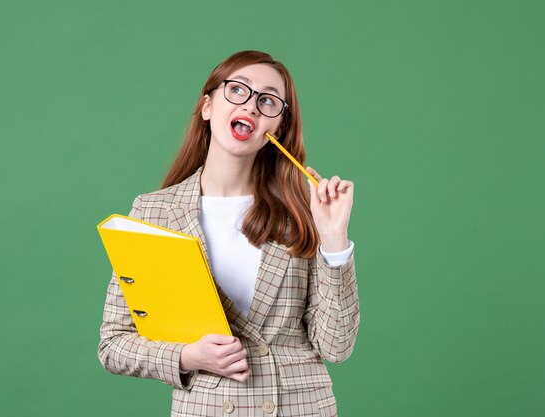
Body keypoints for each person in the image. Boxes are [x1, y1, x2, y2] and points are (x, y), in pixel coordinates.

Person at [98, 50, 359, 416]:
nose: (252, 105)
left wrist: (334, 240)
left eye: (268, 100)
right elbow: (113, 344)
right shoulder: (153, 212)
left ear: (277, 129)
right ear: (207, 106)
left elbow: (336, 346)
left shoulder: (304, 211)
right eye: (238, 90)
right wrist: (188, 356)